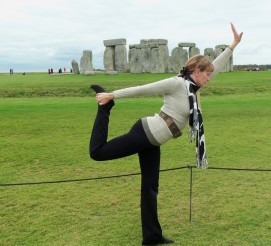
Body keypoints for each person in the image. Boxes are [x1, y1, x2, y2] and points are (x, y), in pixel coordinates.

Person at [89, 23, 243, 245]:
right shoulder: (177, 83)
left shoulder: (193, 88)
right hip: (144, 132)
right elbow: (144, 89)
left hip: (153, 142)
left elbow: (215, 66)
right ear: (196, 71)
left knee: (150, 187)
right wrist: (111, 95)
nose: (210, 77)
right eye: (207, 74)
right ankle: (104, 109)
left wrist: (233, 45)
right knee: (98, 152)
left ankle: (152, 236)